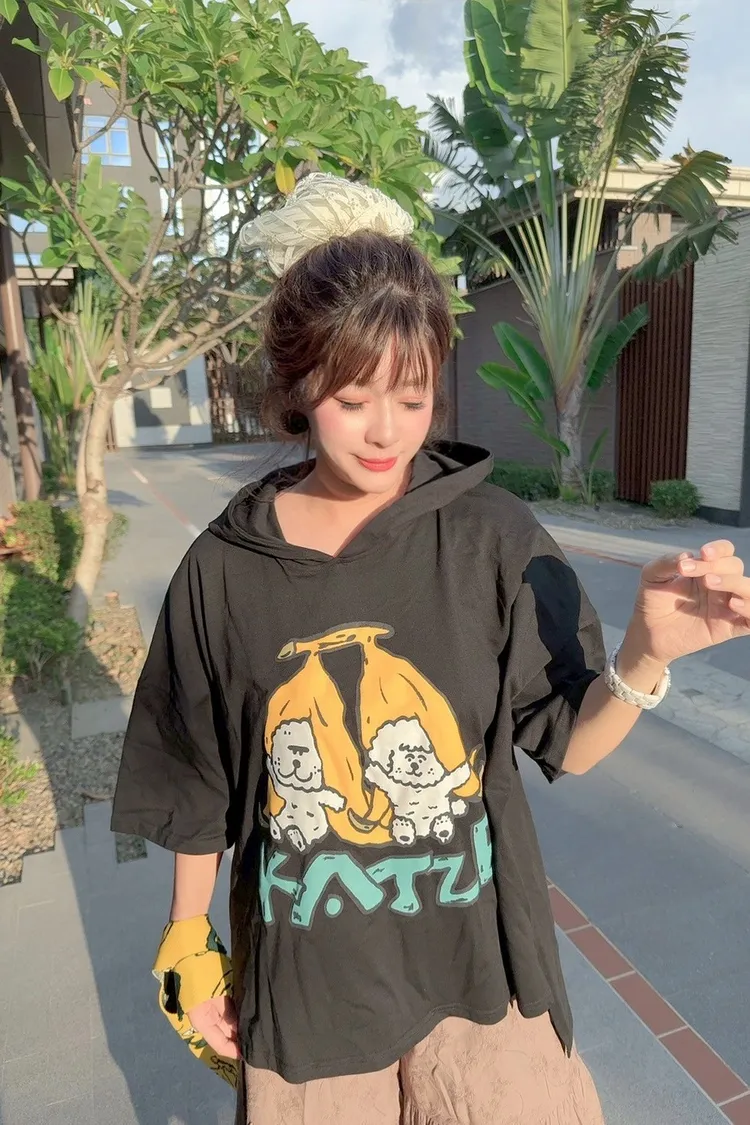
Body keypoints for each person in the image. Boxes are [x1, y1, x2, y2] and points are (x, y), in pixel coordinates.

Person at [111, 174, 750, 1125]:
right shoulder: (224, 569)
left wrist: (646, 657)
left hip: (481, 980)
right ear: (299, 386)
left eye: (412, 398)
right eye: (353, 396)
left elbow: (566, 739)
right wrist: (187, 938)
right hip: (310, 994)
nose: (386, 431)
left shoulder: (492, 537)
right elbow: (197, 775)